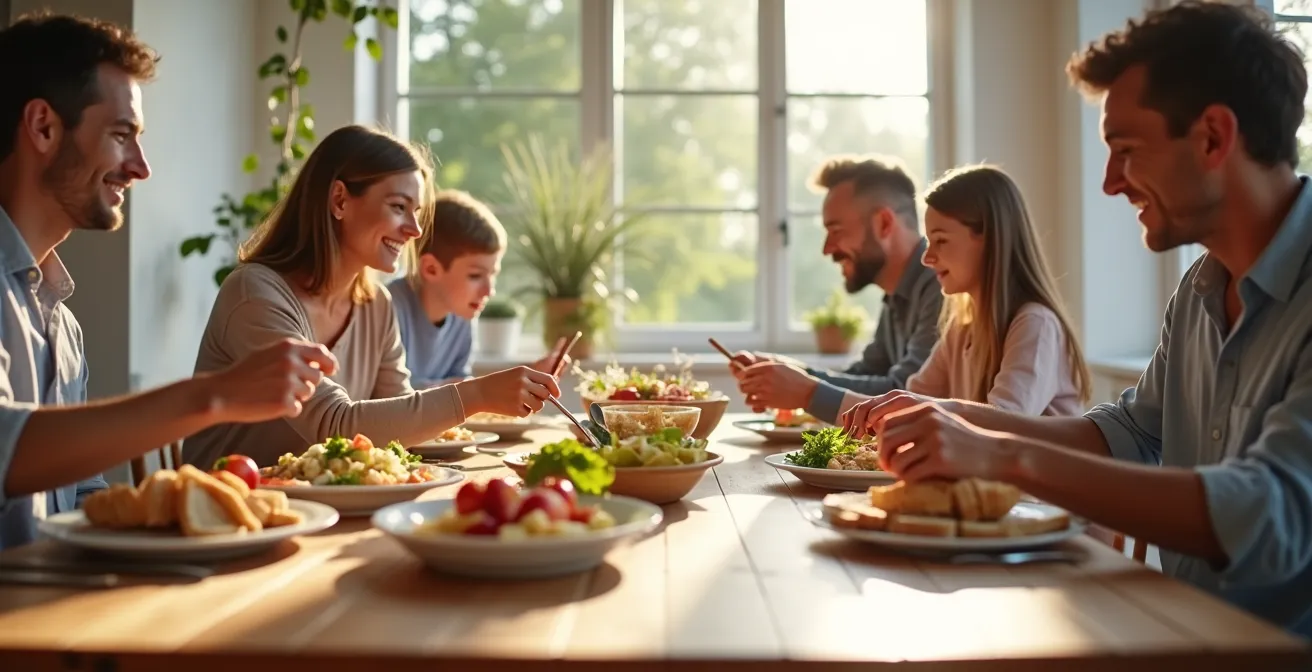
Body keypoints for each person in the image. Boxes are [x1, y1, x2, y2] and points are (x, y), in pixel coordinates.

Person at [844, 1, 1312, 636]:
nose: (1110, 184)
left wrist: (1003, 457)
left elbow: (1267, 511)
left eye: (1125, 149)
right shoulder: (1200, 290)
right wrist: (958, 417)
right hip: (1175, 628)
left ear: (1212, 137)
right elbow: (1133, 434)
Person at [0, 12, 335, 550]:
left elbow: (80, 501)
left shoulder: (60, 320)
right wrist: (216, 396)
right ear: (43, 127)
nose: (141, 167)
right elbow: (7, 451)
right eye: (121, 135)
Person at [183, 125, 560, 469]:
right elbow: (333, 424)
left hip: (321, 506)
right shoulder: (256, 294)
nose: (414, 230)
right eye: (398, 207)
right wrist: (475, 394)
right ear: (340, 200)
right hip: (225, 513)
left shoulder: (376, 306)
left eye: (417, 212)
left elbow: (397, 425)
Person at [732, 155, 942, 422]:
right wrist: (791, 372)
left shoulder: (942, 286)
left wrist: (805, 389)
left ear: (884, 224)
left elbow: (904, 397)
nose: (826, 249)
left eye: (836, 230)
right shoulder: (897, 293)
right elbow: (870, 373)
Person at [894, 164, 1090, 415]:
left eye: (941, 240)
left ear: (991, 240)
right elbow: (912, 402)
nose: (926, 258)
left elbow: (1002, 422)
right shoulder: (961, 327)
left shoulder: (1035, 324)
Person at [387, 189, 563, 388]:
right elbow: (390, 397)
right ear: (431, 269)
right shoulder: (388, 309)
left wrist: (523, 377)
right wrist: (478, 390)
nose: (489, 291)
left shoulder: (462, 313)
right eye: (475, 276)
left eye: (493, 274)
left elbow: (458, 389)